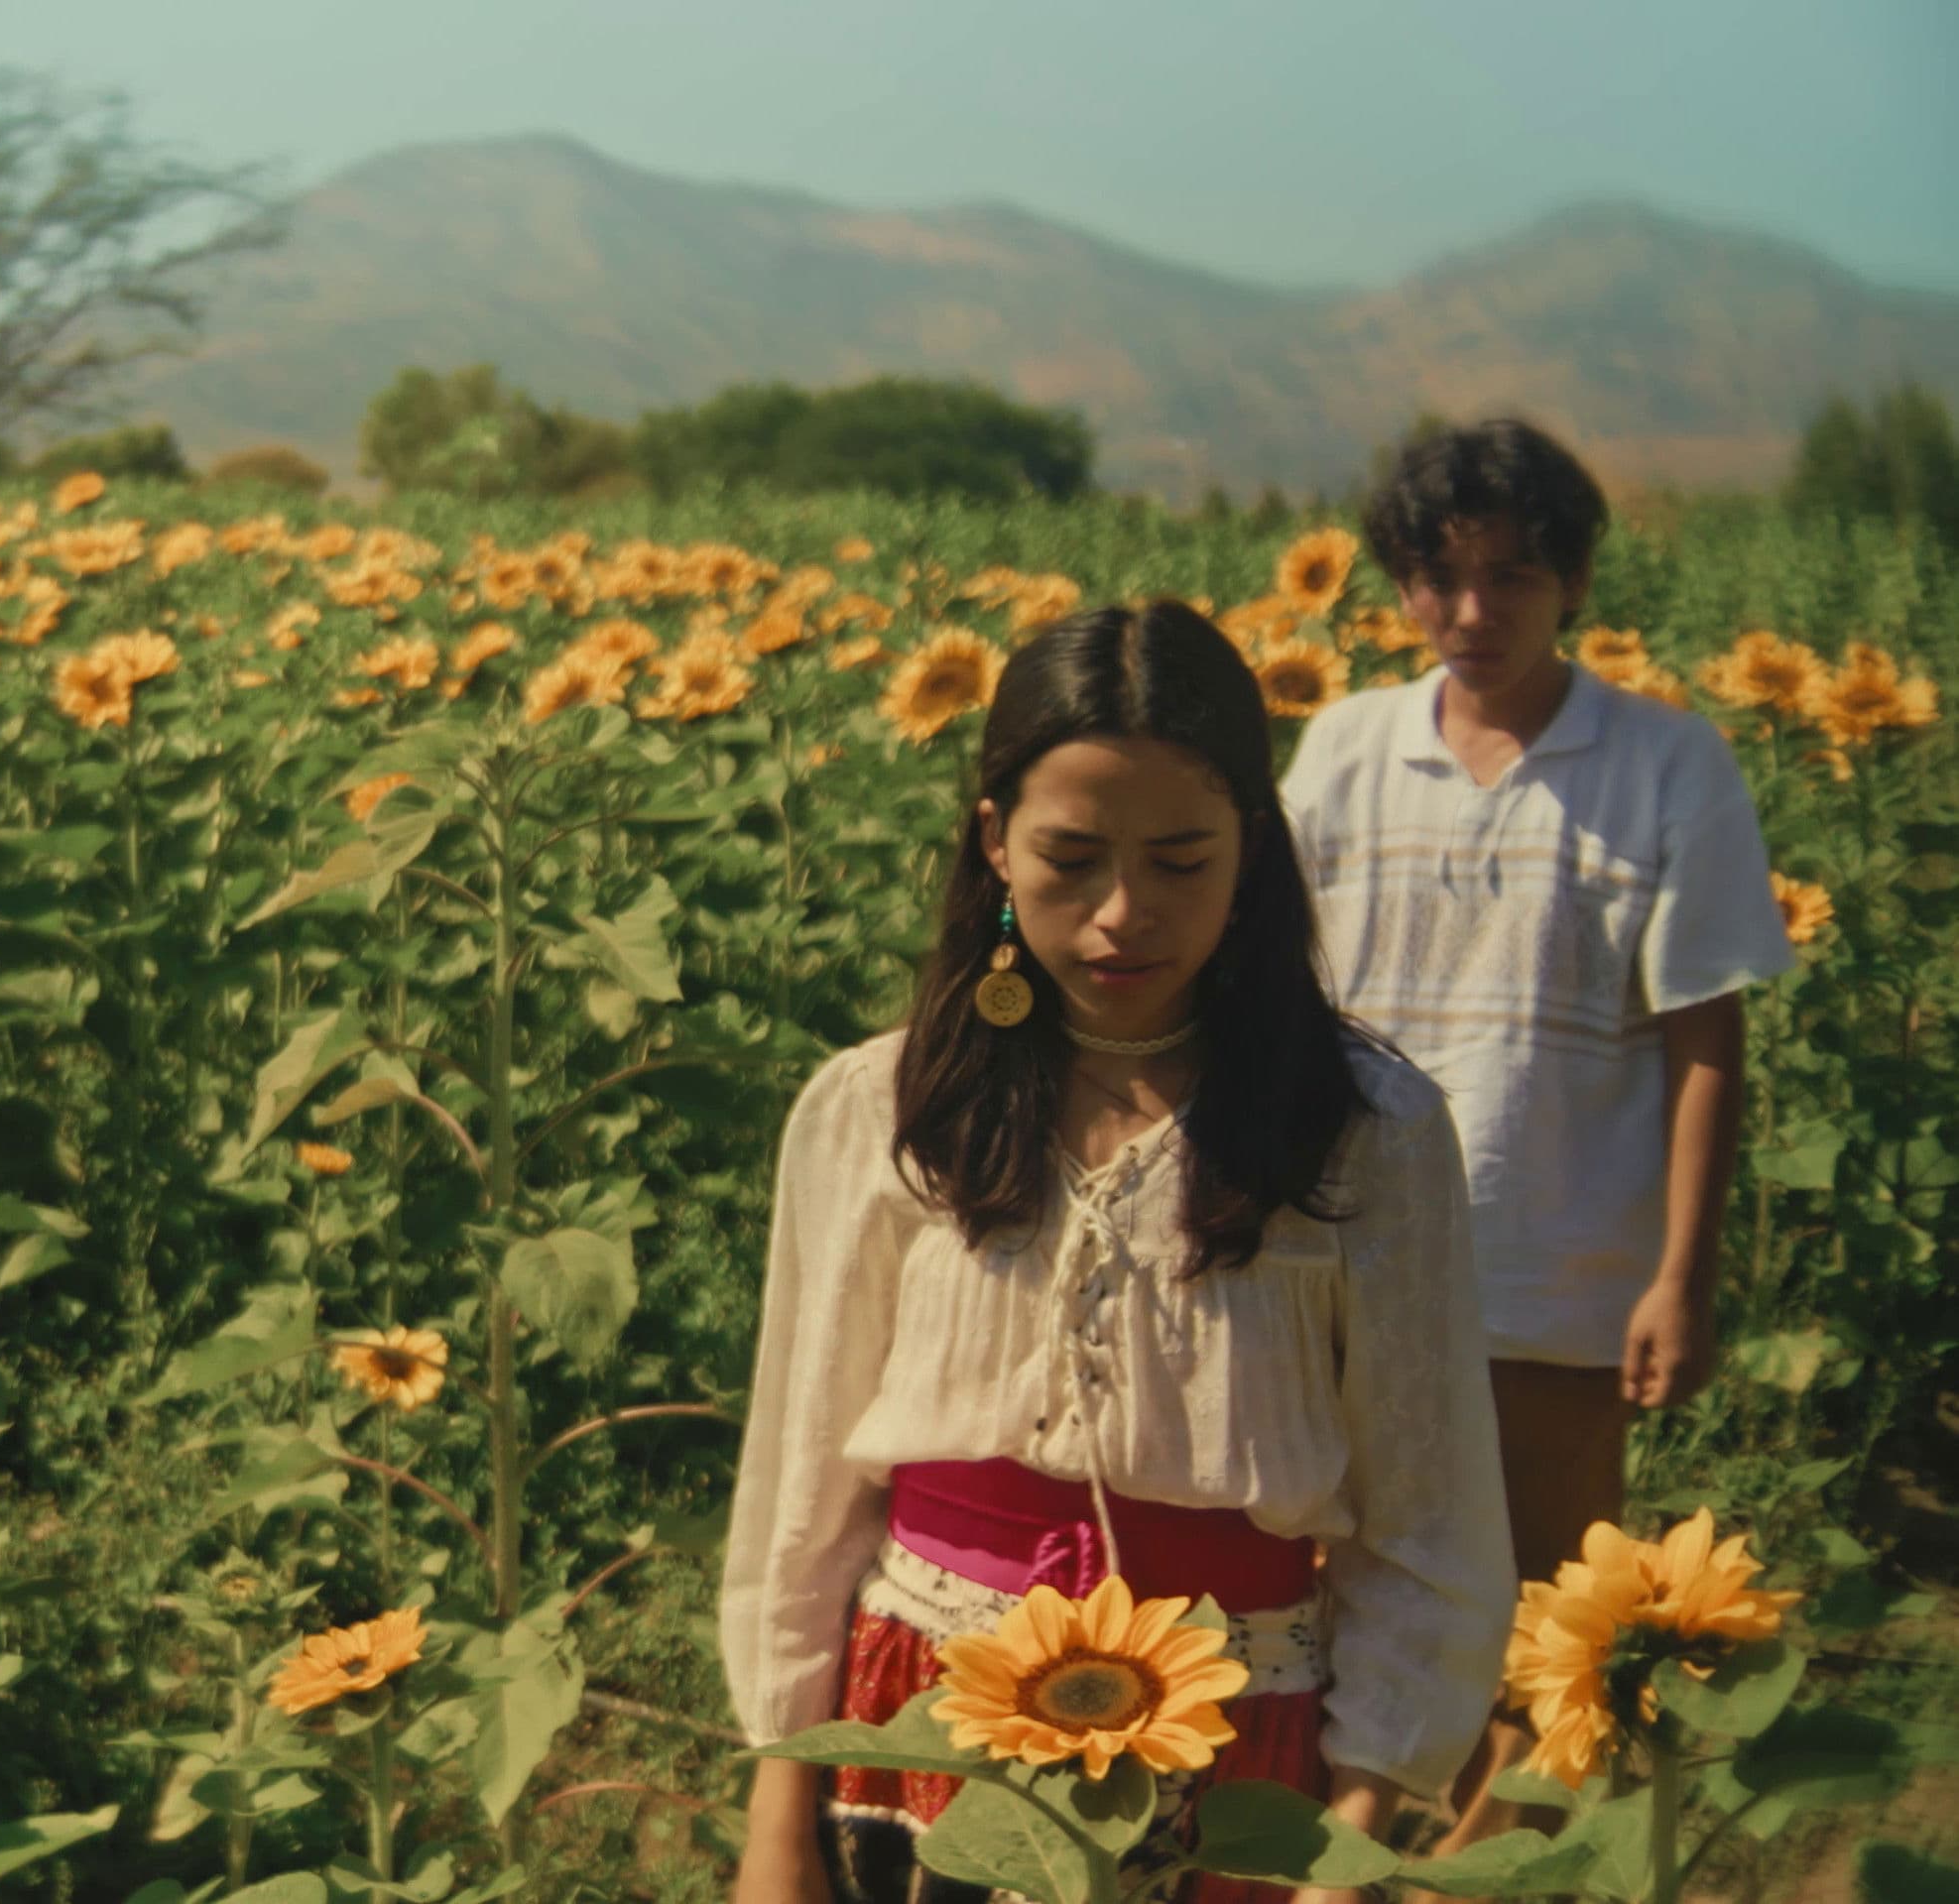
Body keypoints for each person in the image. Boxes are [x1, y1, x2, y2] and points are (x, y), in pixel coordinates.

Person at [721, 601, 1514, 1904]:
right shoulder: (882, 1110)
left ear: (1252, 854)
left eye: (1181, 860)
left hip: (1236, 1751)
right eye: (1070, 858)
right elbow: (800, 1486)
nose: (1120, 915)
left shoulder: (1364, 1132)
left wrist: (1355, 1835)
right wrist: (774, 1810)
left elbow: (1426, 1521)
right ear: (992, 841)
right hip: (922, 1734)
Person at [1275, 417, 1796, 1846]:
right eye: (1435, 579)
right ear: (1394, 588)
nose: (1468, 613)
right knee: (1337, 1586)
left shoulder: (1663, 764)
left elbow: (1703, 1032)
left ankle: (1492, 1871)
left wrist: (1678, 1277)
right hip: (1347, 1250)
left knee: (1545, 1612)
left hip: (1558, 1262)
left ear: (1570, 583)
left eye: (1508, 576)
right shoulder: (1340, 750)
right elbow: (1269, 989)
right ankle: (1337, 1864)